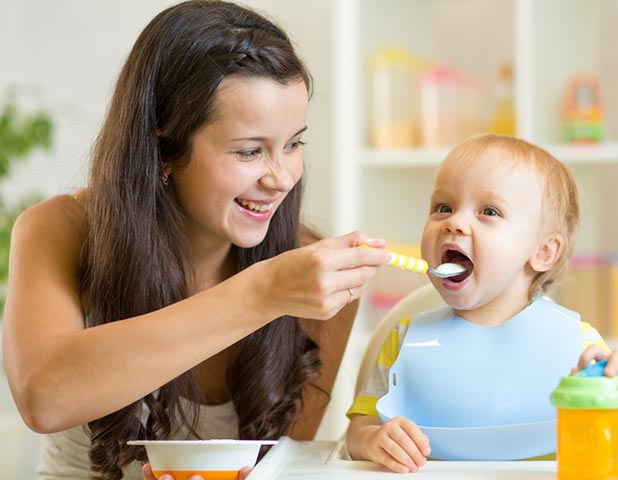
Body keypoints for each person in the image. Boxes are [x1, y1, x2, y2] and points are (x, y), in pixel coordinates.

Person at [0, 2, 390, 480]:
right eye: (250, 150)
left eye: (293, 144)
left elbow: (279, 469)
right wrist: (261, 293)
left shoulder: (310, 279)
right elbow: (43, 395)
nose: (282, 178)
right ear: (164, 148)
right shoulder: (60, 228)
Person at [345, 134, 618, 473]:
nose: (454, 222)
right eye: (443, 207)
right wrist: (373, 440)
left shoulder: (577, 346)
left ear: (543, 252)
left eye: (489, 211)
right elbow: (356, 434)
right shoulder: (404, 340)